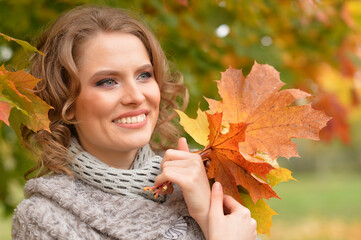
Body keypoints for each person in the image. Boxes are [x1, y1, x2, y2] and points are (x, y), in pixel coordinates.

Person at [11, 5, 257, 240]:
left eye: (144, 75)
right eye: (108, 81)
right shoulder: (44, 219)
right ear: (67, 103)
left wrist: (206, 214)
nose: (137, 96)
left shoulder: (203, 183)